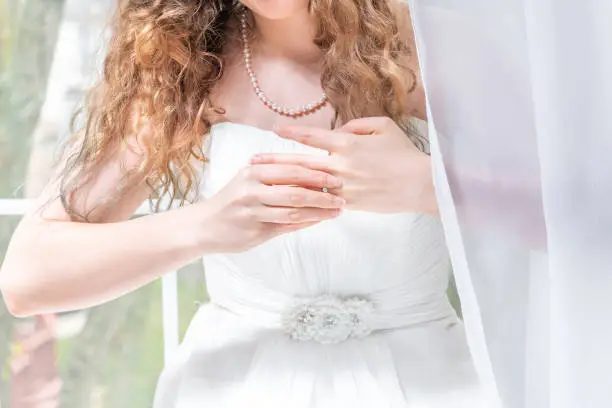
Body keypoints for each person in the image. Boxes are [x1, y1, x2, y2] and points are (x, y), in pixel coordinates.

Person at [0, 0, 490, 406]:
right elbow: (27, 277)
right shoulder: (183, 63)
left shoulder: (441, 46)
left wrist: (432, 188)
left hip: (428, 385)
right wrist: (204, 227)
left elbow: (560, 222)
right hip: (234, 386)